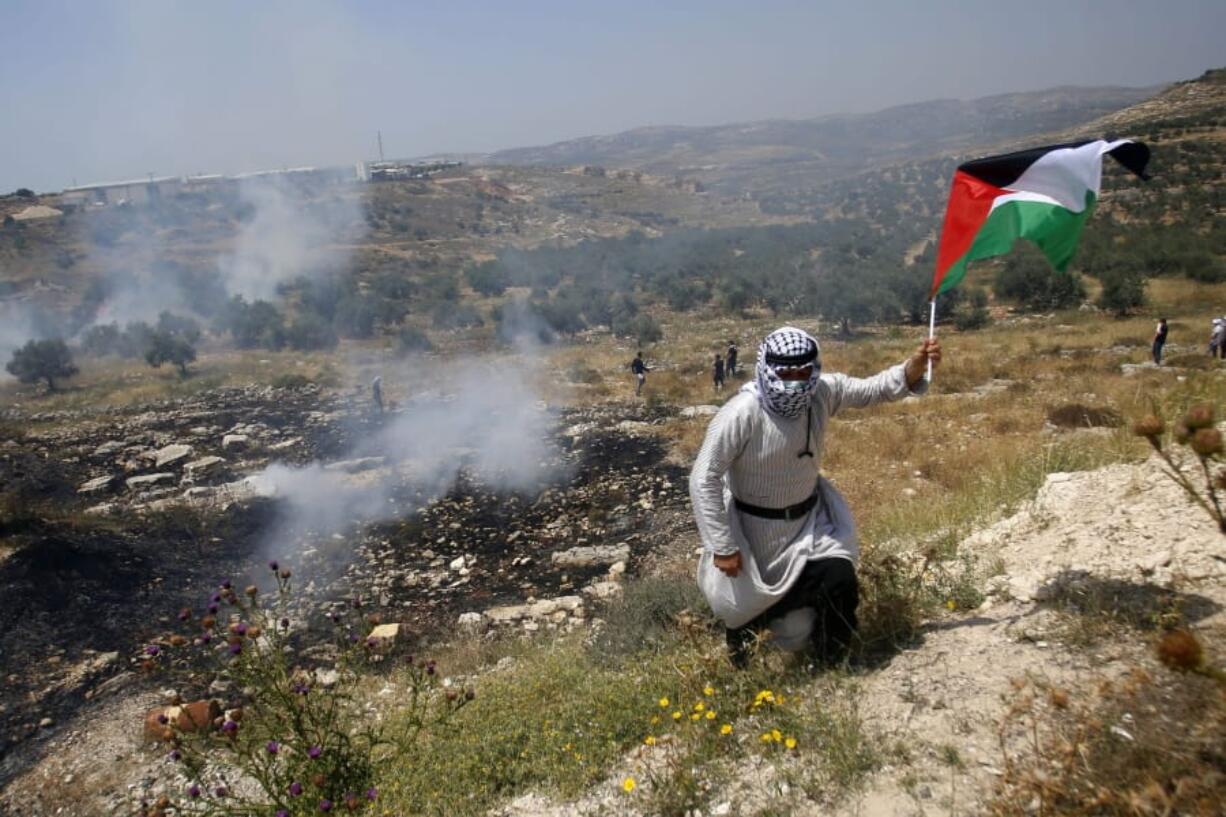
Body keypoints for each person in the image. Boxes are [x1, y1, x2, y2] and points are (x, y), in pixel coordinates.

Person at [689, 326, 941, 669]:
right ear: (767, 368)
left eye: (803, 372)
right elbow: (703, 477)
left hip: (809, 524)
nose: (795, 382)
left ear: (814, 369)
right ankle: (743, 673)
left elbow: (874, 389)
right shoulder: (741, 413)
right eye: (786, 373)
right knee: (746, 612)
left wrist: (912, 368)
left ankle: (831, 665)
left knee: (838, 579)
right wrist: (723, 544)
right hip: (753, 533)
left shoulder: (822, 392)